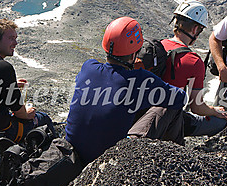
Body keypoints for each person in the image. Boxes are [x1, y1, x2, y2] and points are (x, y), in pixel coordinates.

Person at [64, 16, 188, 164]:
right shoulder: (140, 79)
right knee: (166, 108)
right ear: (135, 52)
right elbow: (180, 98)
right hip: (107, 159)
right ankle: (177, 160)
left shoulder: (88, 67)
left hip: (73, 153)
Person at [159, 0, 227, 136]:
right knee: (221, 122)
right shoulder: (193, 61)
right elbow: (197, 107)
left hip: (142, 114)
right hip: (169, 121)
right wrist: (215, 111)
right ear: (195, 29)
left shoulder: (159, 46)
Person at [0, 18, 52, 145]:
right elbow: (19, 112)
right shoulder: (3, 67)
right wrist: (28, 114)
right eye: (11, 38)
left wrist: (11, 85)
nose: (15, 43)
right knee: (43, 119)